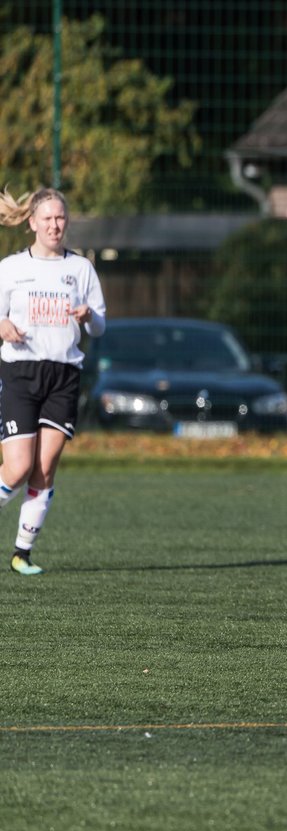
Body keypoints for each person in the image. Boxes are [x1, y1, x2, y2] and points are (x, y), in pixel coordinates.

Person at [0, 187, 107, 575]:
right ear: (32, 223)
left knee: (44, 469)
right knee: (16, 469)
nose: (54, 225)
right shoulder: (11, 267)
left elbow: (100, 325)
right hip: (20, 372)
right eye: (46, 218)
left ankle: (21, 554)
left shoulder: (80, 270)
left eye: (60, 218)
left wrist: (87, 316)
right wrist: (4, 324)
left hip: (63, 375)